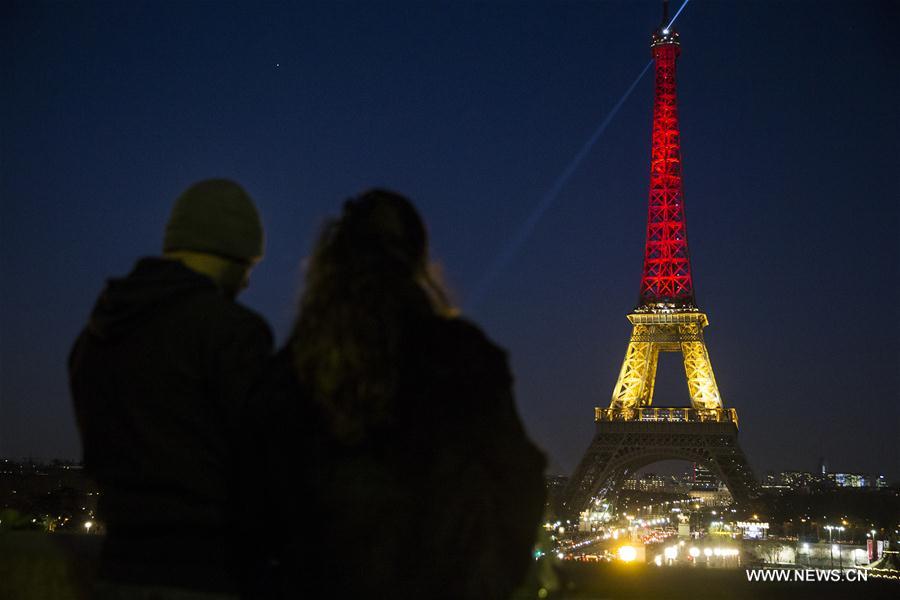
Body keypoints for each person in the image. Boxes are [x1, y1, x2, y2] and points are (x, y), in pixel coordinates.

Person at [259, 189, 546, 599]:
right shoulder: (464, 358)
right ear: (420, 260)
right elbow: (518, 480)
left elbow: (256, 509)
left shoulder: (290, 372)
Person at [69, 179, 273, 599]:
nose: (248, 284)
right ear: (235, 256)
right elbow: (265, 467)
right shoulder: (232, 333)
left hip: (115, 573)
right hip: (211, 576)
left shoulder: (94, 338)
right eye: (249, 267)